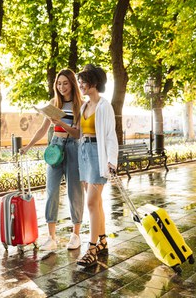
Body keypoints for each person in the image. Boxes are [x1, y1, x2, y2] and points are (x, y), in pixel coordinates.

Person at [20, 68, 84, 251]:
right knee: (51, 191)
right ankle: (51, 237)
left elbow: (78, 133)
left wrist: (61, 123)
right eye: (59, 83)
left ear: (72, 83)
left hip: (73, 147)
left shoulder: (80, 105)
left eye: (65, 83)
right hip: (55, 147)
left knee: (75, 192)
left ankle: (76, 234)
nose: (62, 87)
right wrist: (28, 146)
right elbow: (42, 130)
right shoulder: (53, 103)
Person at [75, 64, 118, 267]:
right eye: (80, 81)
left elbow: (110, 136)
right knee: (97, 203)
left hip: (97, 154)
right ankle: (102, 240)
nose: (80, 84)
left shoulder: (104, 106)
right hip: (84, 153)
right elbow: (78, 133)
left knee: (91, 203)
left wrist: (112, 160)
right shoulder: (84, 106)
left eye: (83, 81)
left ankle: (91, 249)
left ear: (93, 83)